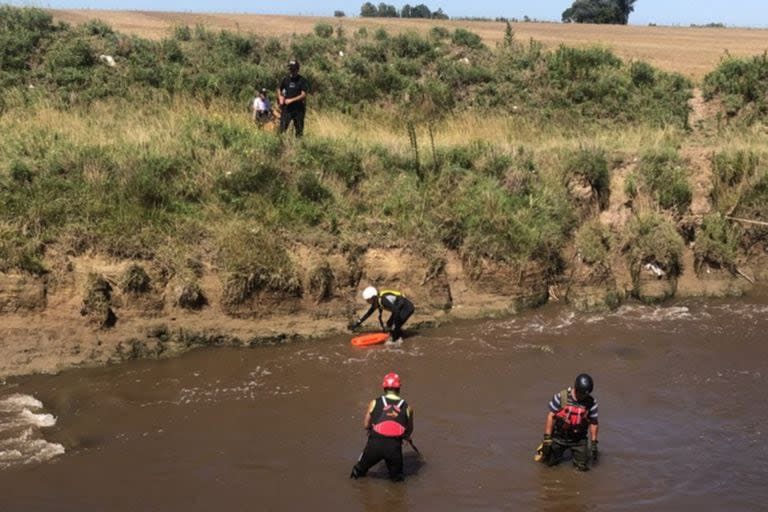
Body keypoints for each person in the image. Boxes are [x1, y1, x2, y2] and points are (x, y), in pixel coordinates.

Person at [350, 372, 414, 482]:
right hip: (394, 447)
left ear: (384, 387)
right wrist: (406, 436)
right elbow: (409, 430)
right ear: (399, 388)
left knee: (358, 472)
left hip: (375, 444)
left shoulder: (374, 402)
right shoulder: (408, 407)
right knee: (397, 481)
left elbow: (366, 424)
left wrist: (371, 429)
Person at [538, 373, 599, 471]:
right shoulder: (561, 397)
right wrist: (547, 439)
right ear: (576, 389)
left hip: (579, 439)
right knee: (548, 465)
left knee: (582, 468)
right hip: (559, 436)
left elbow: (594, 422)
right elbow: (551, 416)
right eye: (582, 394)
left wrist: (594, 443)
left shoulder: (591, 402)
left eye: (586, 394)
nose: (584, 396)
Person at [348, 286, 415, 342]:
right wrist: (357, 324)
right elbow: (368, 314)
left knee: (395, 327)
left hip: (407, 308)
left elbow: (396, 311)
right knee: (389, 324)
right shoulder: (376, 302)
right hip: (398, 309)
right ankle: (401, 335)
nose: (367, 302)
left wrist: (395, 325)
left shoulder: (383, 300)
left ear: (373, 297)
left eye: (368, 300)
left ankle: (396, 343)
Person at [277, 59, 309, 137]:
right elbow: (279, 89)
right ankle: (280, 144)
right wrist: (280, 97)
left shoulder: (302, 80)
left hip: (298, 109)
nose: (291, 71)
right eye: (290, 68)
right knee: (282, 128)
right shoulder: (285, 79)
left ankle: (298, 146)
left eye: (293, 69)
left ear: (297, 69)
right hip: (287, 108)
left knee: (299, 130)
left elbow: (303, 94)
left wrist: (292, 100)